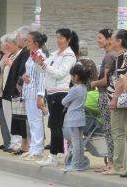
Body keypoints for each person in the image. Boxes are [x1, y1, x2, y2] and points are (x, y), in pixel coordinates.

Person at [36, 28, 78, 166]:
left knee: (56, 124)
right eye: (57, 37)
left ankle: (55, 155)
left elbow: (60, 73)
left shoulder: (69, 56)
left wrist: (44, 65)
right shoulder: (54, 54)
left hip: (61, 92)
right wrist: (38, 61)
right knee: (54, 124)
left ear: (68, 39)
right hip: (51, 91)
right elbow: (42, 69)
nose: (58, 40)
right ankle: (57, 154)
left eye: (61, 38)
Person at [90, 29, 116, 173]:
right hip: (110, 95)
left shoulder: (109, 57)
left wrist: (92, 84)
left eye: (100, 38)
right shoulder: (113, 55)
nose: (98, 40)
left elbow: (106, 81)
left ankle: (111, 163)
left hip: (106, 95)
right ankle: (111, 162)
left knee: (109, 130)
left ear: (109, 39)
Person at [0, 34, 20, 152]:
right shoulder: (4, 56)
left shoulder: (13, 57)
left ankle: (10, 142)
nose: (1, 45)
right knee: (3, 117)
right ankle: (7, 141)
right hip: (0, 90)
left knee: (7, 117)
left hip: (6, 91)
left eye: (2, 43)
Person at [21, 31, 47, 161]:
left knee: (36, 121)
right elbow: (30, 72)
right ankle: (33, 147)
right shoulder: (30, 55)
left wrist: (40, 95)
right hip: (28, 90)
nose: (26, 43)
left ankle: (38, 149)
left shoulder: (40, 55)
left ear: (36, 43)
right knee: (31, 121)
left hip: (35, 91)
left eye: (29, 41)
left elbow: (42, 76)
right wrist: (24, 76)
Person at [62, 64, 90, 172]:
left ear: (76, 77)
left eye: (72, 76)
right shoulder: (84, 88)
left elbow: (63, 101)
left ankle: (74, 164)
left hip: (73, 118)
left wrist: (69, 103)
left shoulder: (74, 89)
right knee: (80, 142)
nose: (71, 78)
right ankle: (80, 162)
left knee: (75, 142)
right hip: (81, 117)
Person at [106, 29, 127, 177]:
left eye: (112, 39)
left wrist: (114, 97)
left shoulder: (122, 56)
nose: (110, 41)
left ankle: (118, 166)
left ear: (119, 42)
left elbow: (122, 80)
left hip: (121, 100)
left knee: (118, 133)